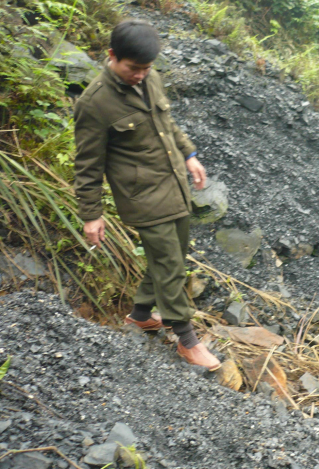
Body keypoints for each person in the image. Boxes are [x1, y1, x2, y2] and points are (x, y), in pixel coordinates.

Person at [73, 19, 220, 371]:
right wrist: (91, 214)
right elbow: (88, 165)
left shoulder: (149, 78)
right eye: (133, 68)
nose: (140, 74)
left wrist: (189, 154)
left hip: (172, 186)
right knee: (170, 262)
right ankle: (186, 338)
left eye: (146, 68)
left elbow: (167, 124)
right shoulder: (95, 103)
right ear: (112, 56)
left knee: (175, 252)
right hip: (140, 196)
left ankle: (140, 314)